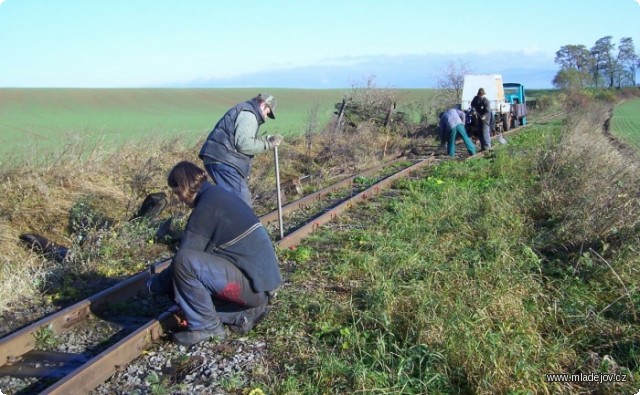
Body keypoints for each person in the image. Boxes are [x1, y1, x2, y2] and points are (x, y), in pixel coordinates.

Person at [147, 161, 282, 347]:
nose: (179, 199)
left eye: (178, 192)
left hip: (256, 290)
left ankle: (208, 328)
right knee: (190, 267)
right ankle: (240, 314)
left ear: (186, 186)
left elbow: (185, 256)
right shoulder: (219, 196)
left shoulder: (206, 209)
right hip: (262, 285)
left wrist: (155, 285)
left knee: (185, 262)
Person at [199, 93, 283, 207]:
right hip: (225, 160)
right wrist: (268, 144)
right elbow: (244, 144)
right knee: (241, 202)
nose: (266, 117)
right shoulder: (249, 115)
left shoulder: (245, 110)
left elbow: (244, 138)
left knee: (230, 202)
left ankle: (219, 221)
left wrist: (266, 139)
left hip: (219, 157)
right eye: (267, 112)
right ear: (263, 105)